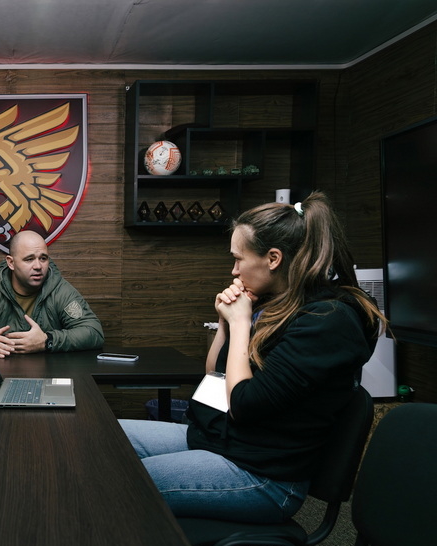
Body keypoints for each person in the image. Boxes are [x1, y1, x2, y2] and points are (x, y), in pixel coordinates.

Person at [120, 191, 387, 523]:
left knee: (119, 480)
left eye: (238, 259)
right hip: (218, 441)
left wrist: (240, 323)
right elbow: (215, 378)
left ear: (273, 259)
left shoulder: (328, 321)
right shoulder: (276, 301)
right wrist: (224, 322)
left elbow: (242, 404)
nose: (234, 271)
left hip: (263, 476)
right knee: (102, 438)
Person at [0, 230, 104, 357]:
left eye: (43, 258)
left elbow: (93, 332)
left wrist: (48, 340)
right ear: (11, 263)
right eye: (29, 259)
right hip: (3, 374)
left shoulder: (60, 290)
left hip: (50, 373)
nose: (38, 266)